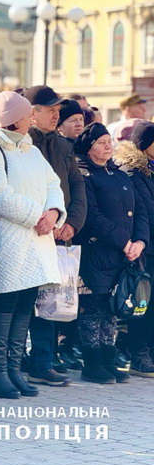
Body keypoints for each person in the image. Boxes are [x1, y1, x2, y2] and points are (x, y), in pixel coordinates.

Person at [0, 91, 66, 400]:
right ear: (17, 118)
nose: (32, 119)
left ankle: (14, 369)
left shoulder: (29, 147)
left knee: (25, 304)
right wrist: (36, 215)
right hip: (10, 241)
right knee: (5, 304)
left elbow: (53, 184)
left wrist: (53, 213)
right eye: (28, 115)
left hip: (36, 240)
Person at [73, 123, 147, 384]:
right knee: (95, 307)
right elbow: (92, 215)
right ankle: (92, 363)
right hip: (96, 251)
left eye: (109, 141)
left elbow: (139, 211)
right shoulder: (84, 173)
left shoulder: (118, 174)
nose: (108, 146)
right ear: (88, 146)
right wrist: (124, 241)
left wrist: (140, 241)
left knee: (112, 309)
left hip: (122, 253)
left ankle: (108, 358)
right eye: (101, 142)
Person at [23, 85, 87, 388]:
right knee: (24, 303)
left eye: (57, 110)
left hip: (59, 235)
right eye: (50, 110)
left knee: (49, 303)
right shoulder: (22, 143)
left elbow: (77, 187)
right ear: (31, 112)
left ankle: (43, 362)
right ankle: (18, 362)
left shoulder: (62, 146)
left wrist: (71, 222)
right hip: (29, 232)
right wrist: (44, 219)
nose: (56, 115)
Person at [114, 122, 154, 378]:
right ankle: (139, 354)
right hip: (143, 248)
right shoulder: (133, 170)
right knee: (143, 303)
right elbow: (144, 210)